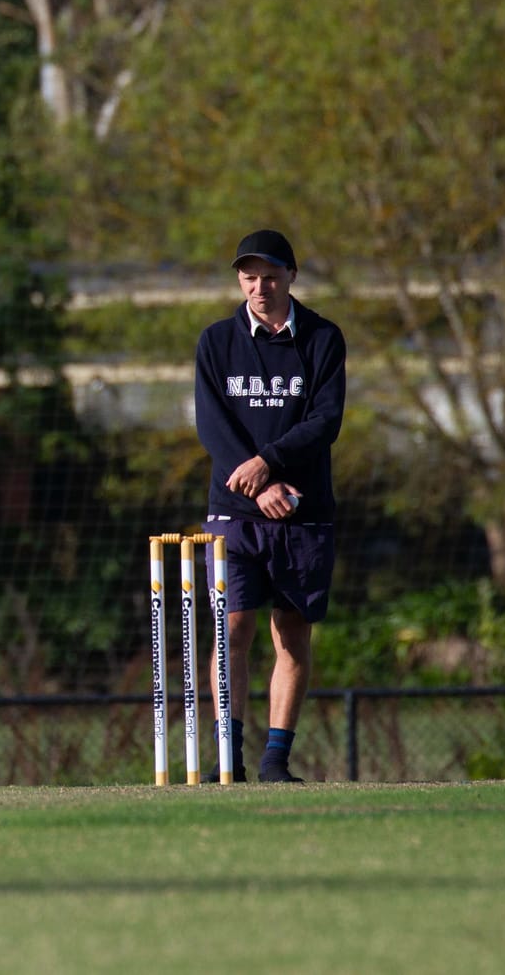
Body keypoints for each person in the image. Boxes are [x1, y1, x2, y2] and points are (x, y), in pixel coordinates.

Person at [193, 229, 346, 783]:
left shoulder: (324, 339)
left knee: (292, 634)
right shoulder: (216, 341)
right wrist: (259, 484)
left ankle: (275, 762)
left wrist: (271, 463)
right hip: (234, 511)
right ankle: (226, 760)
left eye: (271, 275)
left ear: (291, 276)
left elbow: (325, 420)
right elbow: (213, 425)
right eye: (249, 277)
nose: (260, 287)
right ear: (239, 280)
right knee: (232, 627)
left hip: (304, 512)